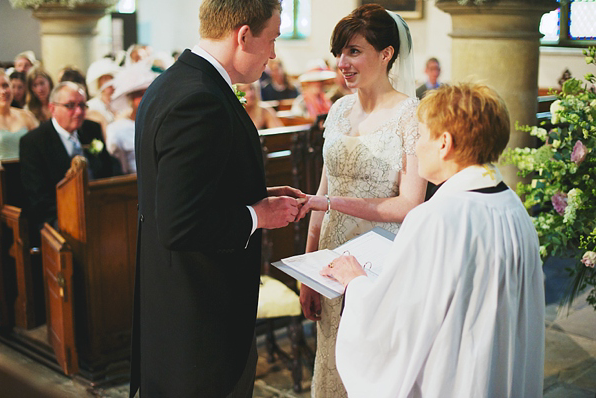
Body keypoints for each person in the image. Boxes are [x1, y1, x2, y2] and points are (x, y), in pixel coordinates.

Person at [322, 83, 545, 397]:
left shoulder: (437, 217)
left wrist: (355, 282)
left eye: (420, 135)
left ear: (444, 143)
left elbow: (395, 320)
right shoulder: (513, 207)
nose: (414, 145)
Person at [129, 1, 306, 396]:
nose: (274, 53)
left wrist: (256, 196)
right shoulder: (200, 100)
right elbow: (180, 224)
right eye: (272, 39)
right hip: (198, 318)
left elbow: (190, 189)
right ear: (244, 35)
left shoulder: (173, 83)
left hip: (175, 305)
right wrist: (257, 216)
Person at [296, 5, 427, 397]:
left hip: (379, 265)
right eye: (339, 52)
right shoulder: (337, 110)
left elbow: (409, 205)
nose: (342, 63)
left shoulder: (411, 115)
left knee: (369, 367)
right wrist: (308, 273)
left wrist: (333, 203)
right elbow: (321, 193)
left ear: (386, 54)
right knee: (332, 360)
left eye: (354, 51)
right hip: (330, 256)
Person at [19, 82, 118, 244]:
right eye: (70, 106)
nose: (79, 112)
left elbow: (107, 169)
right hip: (57, 216)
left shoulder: (91, 129)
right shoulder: (34, 142)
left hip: (99, 207)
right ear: (52, 108)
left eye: (82, 105)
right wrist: (72, 216)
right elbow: (38, 197)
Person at [106, 63, 157, 174]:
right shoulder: (117, 130)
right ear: (130, 98)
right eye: (139, 94)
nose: (144, 98)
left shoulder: (159, 123)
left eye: (147, 92)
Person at [0, 68, 38, 160]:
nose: (3, 91)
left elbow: (41, 147)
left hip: (27, 171)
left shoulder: (27, 116)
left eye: (5, 85)